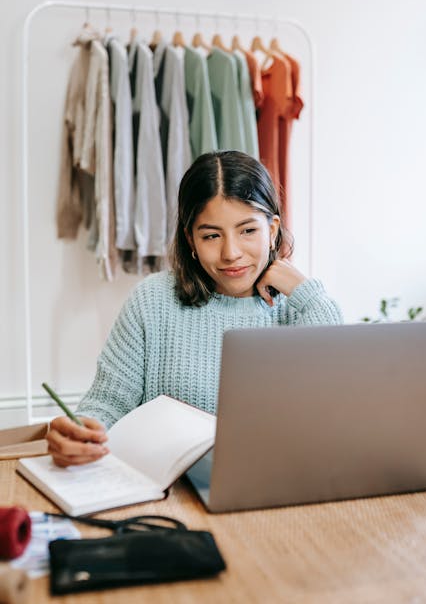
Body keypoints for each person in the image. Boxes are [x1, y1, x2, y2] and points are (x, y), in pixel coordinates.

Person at [47, 150, 343, 466]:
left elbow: (337, 397)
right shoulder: (152, 300)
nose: (231, 253)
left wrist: (304, 290)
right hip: (167, 493)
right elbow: (106, 404)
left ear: (272, 230)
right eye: (212, 235)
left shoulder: (297, 307)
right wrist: (79, 433)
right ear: (190, 239)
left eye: (248, 231)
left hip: (271, 484)